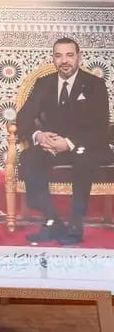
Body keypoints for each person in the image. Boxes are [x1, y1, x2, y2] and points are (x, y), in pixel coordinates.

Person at [18, 37, 113, 245]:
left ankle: (75, 224)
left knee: (82, 158)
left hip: (86, 146)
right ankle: (52, 220)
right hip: (52, 145)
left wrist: (68, 143)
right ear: (53, 59)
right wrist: (39, 136)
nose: (64, 61)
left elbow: (100, 127)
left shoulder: (95, 84)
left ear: (79, 57)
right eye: (58, 56)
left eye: (69, 55)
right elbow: (23, 117)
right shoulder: (44, 83)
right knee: (29, 156)